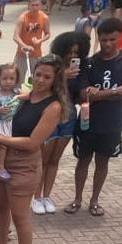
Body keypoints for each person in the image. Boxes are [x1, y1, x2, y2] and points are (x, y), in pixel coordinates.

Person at [0, 56, 64, 244]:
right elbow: (0, 108)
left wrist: (1, 139)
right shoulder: (25, 97)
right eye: (38, 74)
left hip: (25, 166)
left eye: (47, 76)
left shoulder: (54, 107)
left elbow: (33, 142)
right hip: (4, 161)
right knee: (0, 207)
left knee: (20, 216)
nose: (40, 80)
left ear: (55, 79)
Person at [69, 19, 122, 217]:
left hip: (112, 122)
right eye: (104, 39)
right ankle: (77, 199)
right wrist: (116, 90)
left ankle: (94, 200)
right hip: (87, 122)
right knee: (82, 161)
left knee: (102, 163)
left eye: (112, 39)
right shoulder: (89, 63)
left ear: (119, 37)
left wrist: (98, 93)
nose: (107, 44)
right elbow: (84, 95)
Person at [35, 32, 88, 215]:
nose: (72, 56)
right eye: (69, 52)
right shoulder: (50, 64)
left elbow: (80, 92)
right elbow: (39, 85)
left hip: (69, 114)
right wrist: (62, 76)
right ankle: (36, 196)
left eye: (76, 52)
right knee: (43, 158)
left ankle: (46, 196)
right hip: (50, 113)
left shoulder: (81, 68)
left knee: (54, 160)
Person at [13, 0, 51, 77]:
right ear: (28, 5)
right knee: (18, 78)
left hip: (36, 53)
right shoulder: (23, 18)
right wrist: (25, 46)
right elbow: (15, 36)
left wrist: (40, 40)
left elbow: (48, 34)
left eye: (37, 5)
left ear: (41, 5)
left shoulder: (44, 18)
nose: (35, 7)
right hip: (22, 53)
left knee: (37, 77)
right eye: (32, 5)